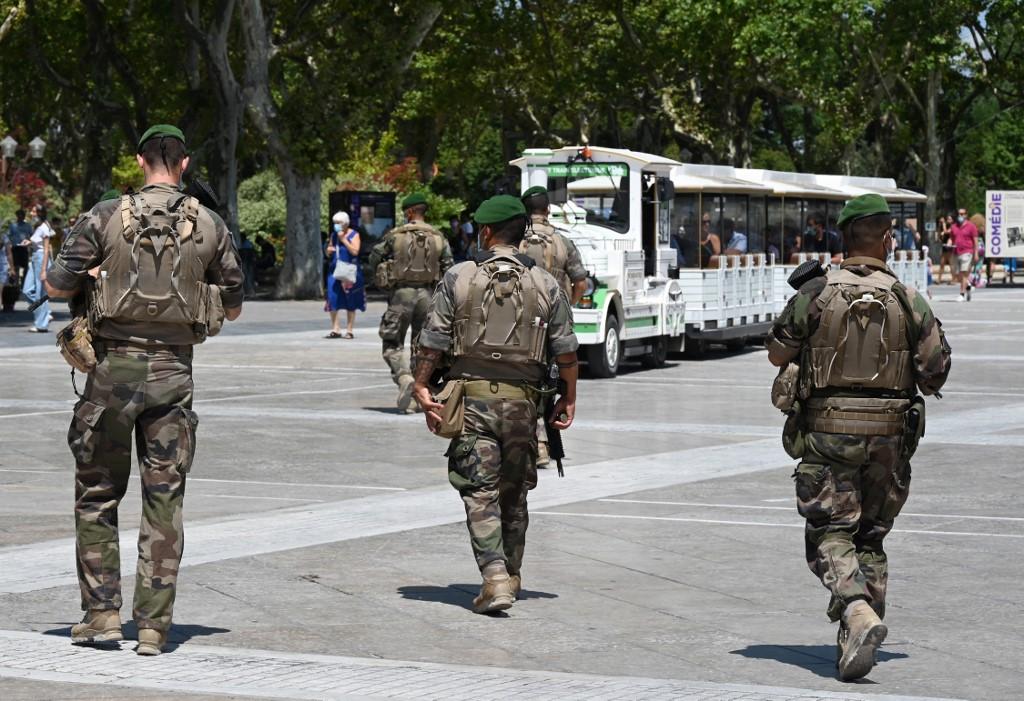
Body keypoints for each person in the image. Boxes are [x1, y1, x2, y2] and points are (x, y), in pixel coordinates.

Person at [44, 124, 243, 656]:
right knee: (164, 500)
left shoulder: (105, 216)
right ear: (185, 162)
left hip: (112, 372)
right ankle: (154, 627)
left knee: (97, 495)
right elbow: (235, 304)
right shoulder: (211, 223)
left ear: (139, 161)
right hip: (174, 373)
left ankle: (102, 614)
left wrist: (92, 276)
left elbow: (54, 286)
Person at [766, 194, 951, 682]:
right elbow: (935, 372)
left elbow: (776, 353)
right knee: (870, 535)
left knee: (829, 531)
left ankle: (855, 609)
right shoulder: (909, 298)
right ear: (888, 238)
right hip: (889, 437)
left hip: (827, 434)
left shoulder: (817, 292)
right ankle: (858, 634)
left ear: (843, 237)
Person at [411, 195, 578, 614]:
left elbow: (432, 342)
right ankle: (513, 575)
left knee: (479, 491)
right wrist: (570, 397)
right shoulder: (546, 283)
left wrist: (420, 384)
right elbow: (567, 353)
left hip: (472, 402)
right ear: (522, 236)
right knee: (514, 493)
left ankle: (494, 578)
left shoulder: (459, 277)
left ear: (485, 232)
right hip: (525, 405)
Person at [520, 185, 587, 467]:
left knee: (525, 378)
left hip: (522, 320)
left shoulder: (517, 240)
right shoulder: (562, 241)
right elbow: (580, 282)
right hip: (555, 320)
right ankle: (545, 443)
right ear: (548, 209)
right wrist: (565, 305)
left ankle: (533, 443)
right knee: (551, 378)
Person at [368, 193, 453, 413]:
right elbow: (449, 266)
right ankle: (418, 396)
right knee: (422, 347)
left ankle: (404, 378)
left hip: (400, 295)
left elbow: (374, 257)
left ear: (408, 212)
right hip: (428, 296)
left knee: (392, 342)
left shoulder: (395, 235)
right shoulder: (438, 237)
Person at [324, 210, 365, 338]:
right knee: (332, 297)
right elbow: (329, 250)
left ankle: (349, 329)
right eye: (334, 223)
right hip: (334, 270)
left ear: (346, 223)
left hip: (349, 272)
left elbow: (355, 252)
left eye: (339, 223)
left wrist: (344, 240)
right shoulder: (333, 235)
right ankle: (335, 328)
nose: (336, 225)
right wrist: (328, 251)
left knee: (350, 299)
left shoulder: (355, 234)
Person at [21, 205, 55, 332]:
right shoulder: (39, 227)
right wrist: (28, 242)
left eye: (34, 211)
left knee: (40, 294)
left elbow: (46, 250)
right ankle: (46, 312)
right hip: (34, 260)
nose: (31, 213)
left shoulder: (45, 228)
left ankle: (41, 324)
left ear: (40, 213)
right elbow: (37, 242)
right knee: (27, 290)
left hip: (41, 260)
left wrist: (43, 270)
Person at [2, 208, 32, 311]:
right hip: (15, 248)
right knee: (15, 268)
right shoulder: (13, 226)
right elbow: (8, 236)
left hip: (23, 249)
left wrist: (29, 243)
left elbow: (31, 236)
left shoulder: (28, 225)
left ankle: (22, 285)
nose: (20, 216)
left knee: (25, 268)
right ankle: (14, 286)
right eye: (19, 215)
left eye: (22, 215)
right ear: (17, 216)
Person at [950, 206, 978, 301]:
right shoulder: (953, 226)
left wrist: (976, 253)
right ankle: (968, 285)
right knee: (957, 274)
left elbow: (975, 241)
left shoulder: (971, 226)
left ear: (966, 215)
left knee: (964, 273)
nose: (960, 216)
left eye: (962, 214)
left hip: (967, 252)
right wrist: (950, 243)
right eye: (958, 214)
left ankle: (962, 294)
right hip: (955, 252)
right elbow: (952, 239)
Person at [937, 215, 954, 284]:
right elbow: (939, 235)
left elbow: (946, 232)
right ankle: (939, 279)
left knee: (951, 264)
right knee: (942, 263)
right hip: (944, 247)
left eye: (950, 219)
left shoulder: (953, 226)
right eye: (947, 219)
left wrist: (943, 224)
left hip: (950, 247)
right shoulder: (945, 226)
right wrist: (940, 225)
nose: (948, 220)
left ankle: (954, 279)